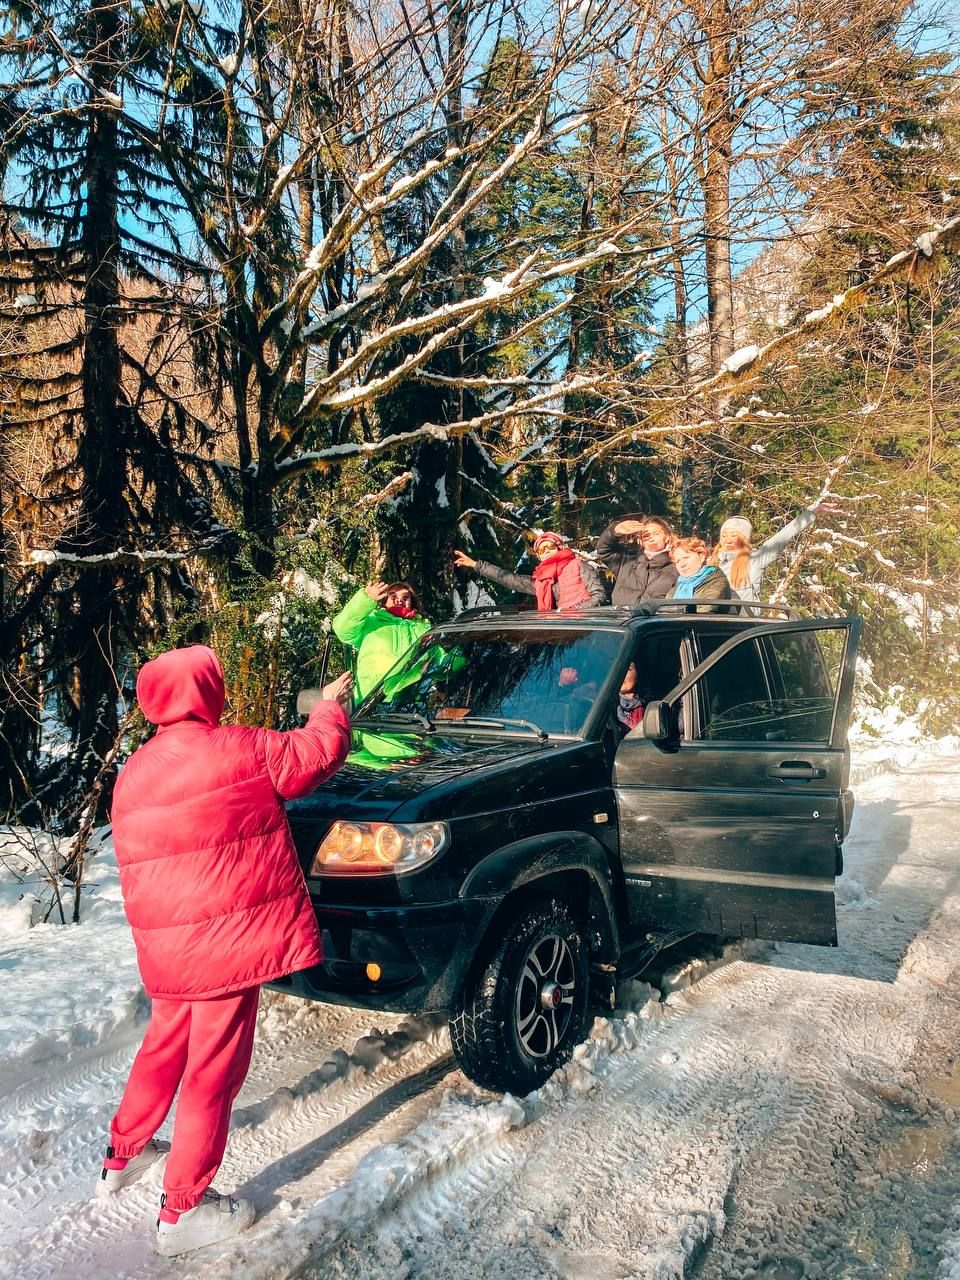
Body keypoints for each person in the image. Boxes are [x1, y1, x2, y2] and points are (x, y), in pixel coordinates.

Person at [96, 645, 352, 1257]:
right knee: (212, 1071)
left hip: (169, 949)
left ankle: (122, 1157)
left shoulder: (134, 772)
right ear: (207, 692)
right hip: (225, 946)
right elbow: (315, 758)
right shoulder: (240, 747)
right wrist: (329, 709)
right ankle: (184, 1211)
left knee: (165, 1048)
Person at [709, 506, 837, 603]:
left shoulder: (754, 560)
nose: (728, 540)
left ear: (744, 539)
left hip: (743, 626)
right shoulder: (708, 563)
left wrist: (812, 513)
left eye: (734, 535)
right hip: (709, 625)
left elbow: (780, 538)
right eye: (724, 536)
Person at [453, 532, 607, 610]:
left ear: (559, 547)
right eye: (541, 549)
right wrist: (476, 565)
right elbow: (509, 579)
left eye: (550, 546)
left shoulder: (578, 565)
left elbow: (599, 595)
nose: (545, 551)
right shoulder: (540, 580)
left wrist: (574, 612)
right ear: (539, 556)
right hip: (559, 632)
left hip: (586, 630)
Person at [332, 580, 431, 700]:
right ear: (385, 601)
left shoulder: (423, 629)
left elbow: (439, 660)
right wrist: (366, 599)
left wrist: (458, 657)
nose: (399, 600)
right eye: (393, 596)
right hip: (372, 703)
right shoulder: (371, 621)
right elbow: (343, 629)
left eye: (405, 597)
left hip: (412, 705)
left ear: (412, 602)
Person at [596, 514, 678, 605]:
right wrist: (615, 530)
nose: (650, 537)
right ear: (641, 540)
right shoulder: (627, 560)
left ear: (667, 537)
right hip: (621, 617)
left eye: (656, 533)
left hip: (656, 618)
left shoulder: (677, 566)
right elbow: (604, 550)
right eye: (646, 534)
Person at [667, 537, 733, 611]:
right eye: (678, 561)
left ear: (701, 556)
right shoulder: (677, 587)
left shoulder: (716, 581)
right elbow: (664, 613)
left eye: (686, 558)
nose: (682, 564)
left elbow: (705, 611)